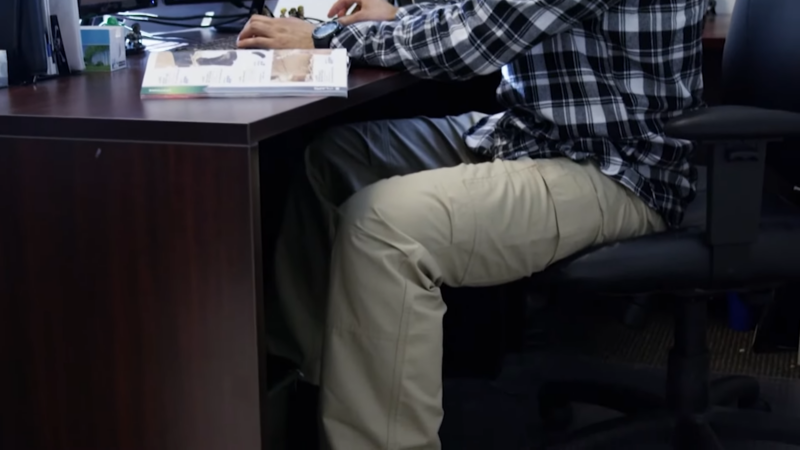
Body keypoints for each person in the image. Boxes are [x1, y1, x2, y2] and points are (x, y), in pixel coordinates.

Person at [238, 0, 705, 447]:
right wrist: (401, 14)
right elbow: (487, 12)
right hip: (533, 137)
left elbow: (477, 38)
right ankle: (313, 395)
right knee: (334, 161)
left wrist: (326, 36)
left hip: (618, 171)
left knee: (385, 227)